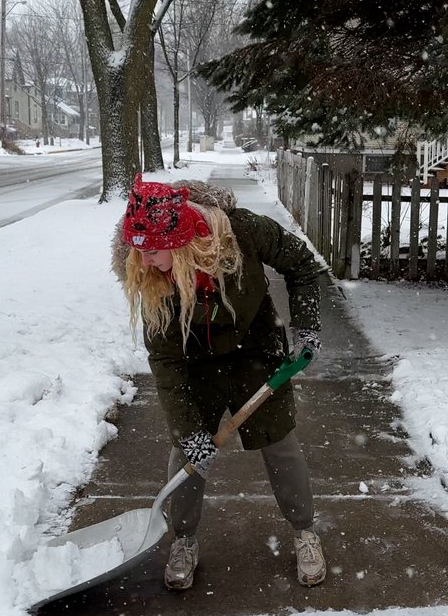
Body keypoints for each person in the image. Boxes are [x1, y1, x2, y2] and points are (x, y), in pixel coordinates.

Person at [112, 173, 326, 590]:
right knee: (189, 453)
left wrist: (308, 328)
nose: (145, 261)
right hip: (195, 363)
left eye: (153, 251)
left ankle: (304, 531)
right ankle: (184, 540)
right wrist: (190, 430)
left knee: (280, 444)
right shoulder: (152, 280)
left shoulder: (243, 231)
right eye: (139, 252)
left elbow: (302, 265)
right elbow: (166, 363)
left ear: (181, 242)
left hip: (256, 351)